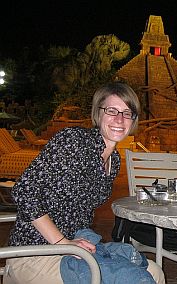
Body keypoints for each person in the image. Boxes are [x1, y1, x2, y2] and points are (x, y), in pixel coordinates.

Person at [5, 82, 165, 284]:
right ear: (98, 114)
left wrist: (75, 245)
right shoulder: (74, 141)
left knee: (155, 273)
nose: (119, 119)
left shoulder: (113, 160)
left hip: (78, 246)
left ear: (133, 120)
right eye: (112, 110)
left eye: (127, 112)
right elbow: (24, 191)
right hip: (35, 252)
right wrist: (63, 243)